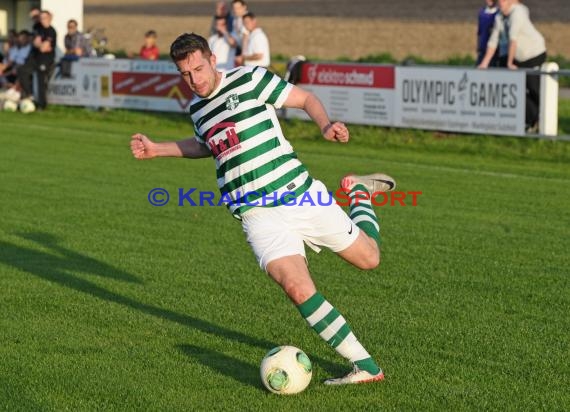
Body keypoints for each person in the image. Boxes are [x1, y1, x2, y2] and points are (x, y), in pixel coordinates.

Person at [130, 33, 396, 385]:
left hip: (299, 194)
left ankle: (358, 192)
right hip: (257, 216)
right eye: (186, 74)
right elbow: (207, 144)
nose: (195, 79)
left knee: (369, 259)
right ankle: (366, 366)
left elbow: (305, 98)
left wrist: (325, 124)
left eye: (198, 68)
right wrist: (157, 149)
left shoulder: (250, 78)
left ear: (212, 58)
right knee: (298, 288)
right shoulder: (197, 108)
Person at [479, 0, 546, 130]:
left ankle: (541, 120)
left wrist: (510, 63)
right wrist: (484, 63)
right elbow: (494, 40)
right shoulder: (499, 16)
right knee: (519, 91)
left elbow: (513, 39)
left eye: (503, 1)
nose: (500, 3)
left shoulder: (518, 12)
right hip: (518, 58)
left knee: (534, 89)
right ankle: (531, 120)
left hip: (533, 55)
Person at [18, 10, 56, 110]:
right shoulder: (37, 27)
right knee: (22, 70)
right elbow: (35, 43)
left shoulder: (51, 31)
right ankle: (30, 94)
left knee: (41, 80)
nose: (42, 20)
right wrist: (39, 44)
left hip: (45, 59)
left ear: (49, 19)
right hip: (35, 57)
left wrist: (40, 44)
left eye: (44, 18)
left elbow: (43, 47)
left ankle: (42, 105)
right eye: (41, 18)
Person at [476, 0, 498, 66]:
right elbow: (479, 32)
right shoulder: (482, 13)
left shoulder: (498, 13)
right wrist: (479, 46)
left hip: (494, 50)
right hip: (483, 48)